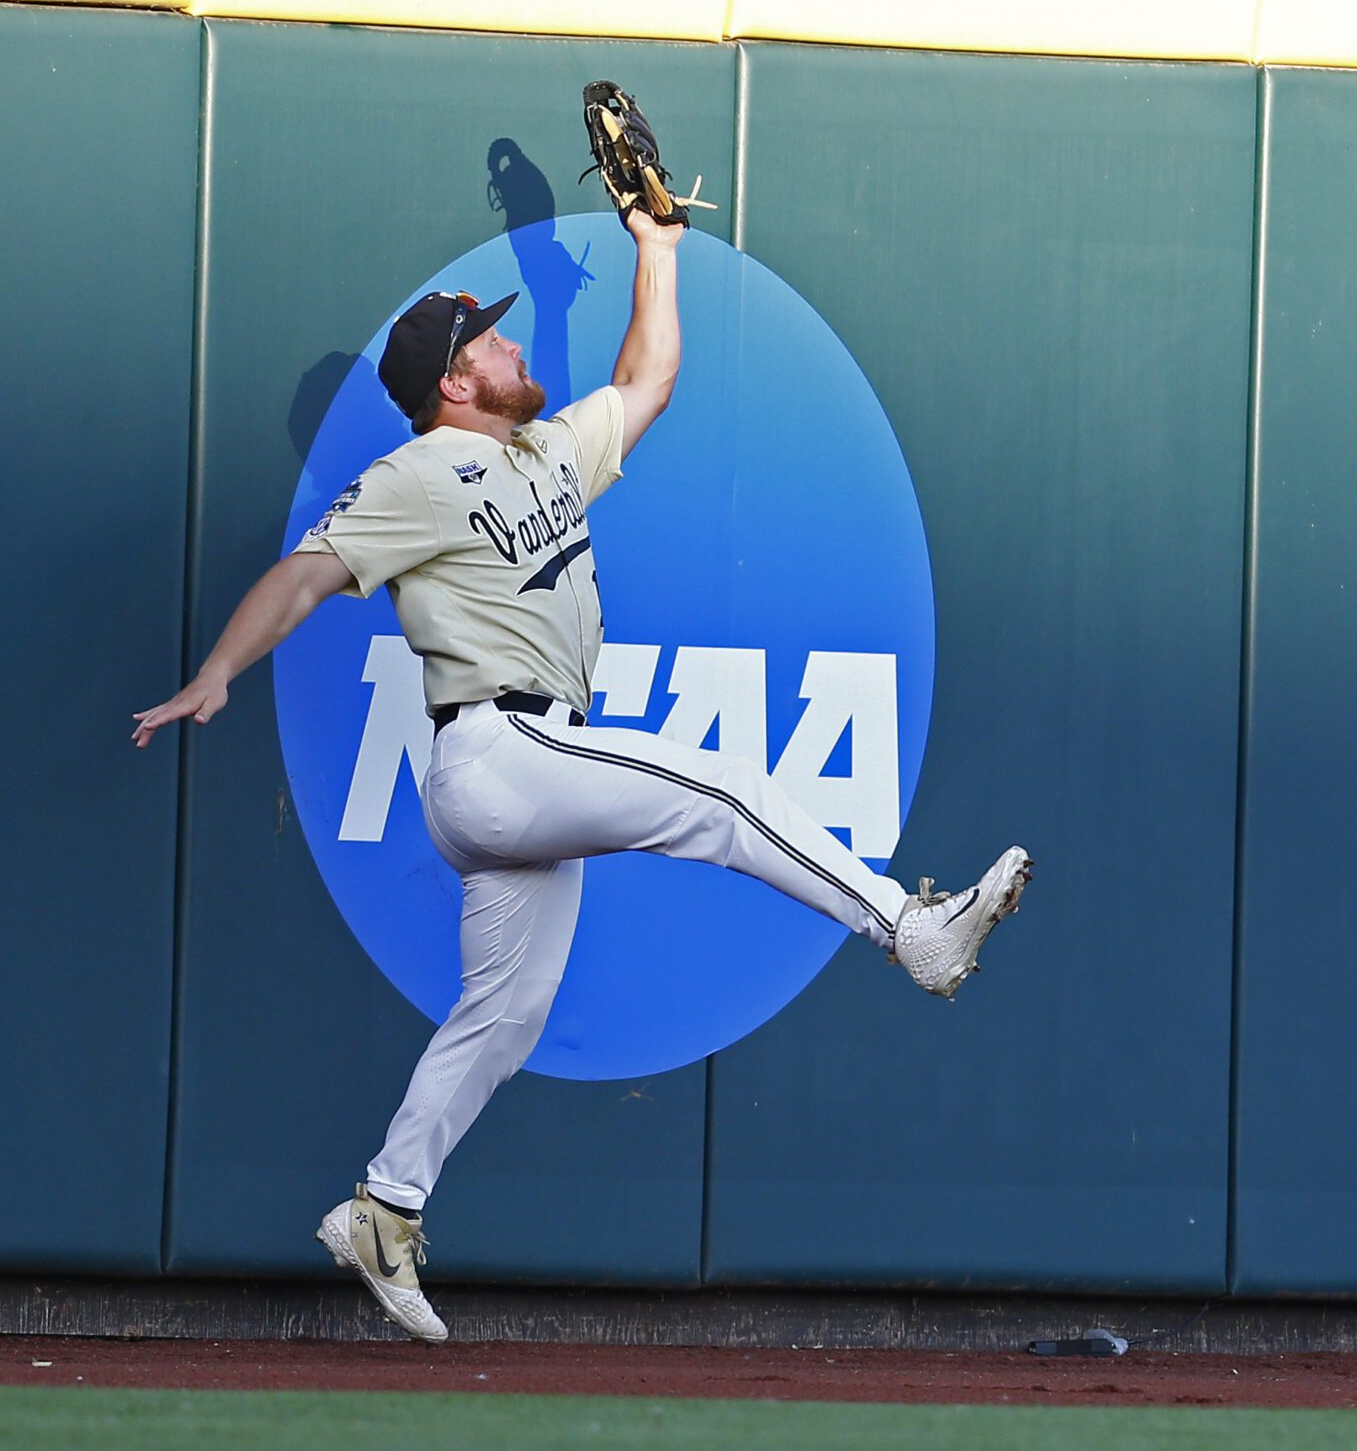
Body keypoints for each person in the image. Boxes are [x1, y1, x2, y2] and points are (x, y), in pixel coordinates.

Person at [130, 208, 1032, 1343]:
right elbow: (304, 576)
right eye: (491, 345)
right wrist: (215, 672)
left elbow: (648, 380)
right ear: (452, 385)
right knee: (719, 791)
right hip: (499, 751)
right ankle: (909, 930)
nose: (513, 349)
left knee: (504, 1014)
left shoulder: (543, 451)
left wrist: (655, 244)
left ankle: (383, 1206)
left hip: (523, 771)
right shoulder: (418, 471)